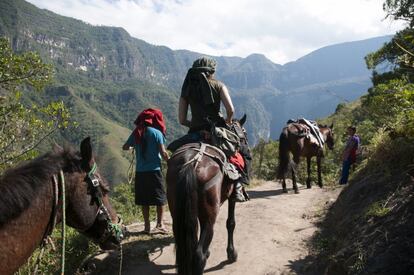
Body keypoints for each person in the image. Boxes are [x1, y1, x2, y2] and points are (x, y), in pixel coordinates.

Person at [176, 56, 248, 202]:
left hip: (195, 132)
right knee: (239, 154)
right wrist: (227, 121)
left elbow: (182, 120)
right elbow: (231, 110)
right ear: (212, 71)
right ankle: (238, 188)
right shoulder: (219, 85)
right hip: (217, 131)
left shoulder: (187, 89)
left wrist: (195, 125)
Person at [123, 108, 169, 234]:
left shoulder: (137, 133)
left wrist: (135, 145)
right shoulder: (157, 133)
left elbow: (125, 147)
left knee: (144, 200)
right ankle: (159, 224)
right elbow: (162, 152)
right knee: (160, 199)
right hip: (155, 171)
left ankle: (147, 227)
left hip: (141, 172)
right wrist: (170, 160)